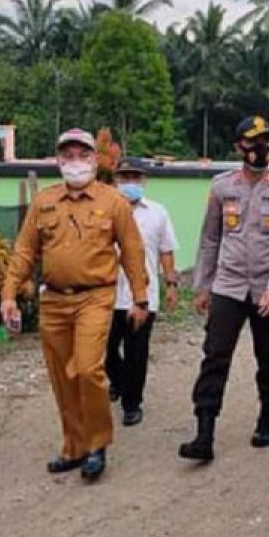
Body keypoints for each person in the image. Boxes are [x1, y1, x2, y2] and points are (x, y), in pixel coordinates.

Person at [0, 129, 149, 482]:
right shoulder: (44, 202)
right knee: (61, 377)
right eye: (67, 155)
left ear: (95, 160)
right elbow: (24, 251)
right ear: (58, 161)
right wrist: (8, 293)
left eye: (82, 154)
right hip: (53, 299)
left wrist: (141, 298)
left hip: (95, 297)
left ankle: (97, 444)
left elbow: (132, 251)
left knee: (86, 369)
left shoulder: (113, 202)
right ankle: (74, 446)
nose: (75, 162)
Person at [178, 115, 269, 462]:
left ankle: (268, 415)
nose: (262, 148)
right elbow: (210, 239)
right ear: (239, 146)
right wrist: (202, 286)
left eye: (266, 141)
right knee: (215, 355)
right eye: (254, 142)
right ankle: (204, 433)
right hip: (229, 285)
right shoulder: (222, 187)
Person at [105, 157, 179, 427]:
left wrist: (171, 283)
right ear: (115, 181)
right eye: (125, 178)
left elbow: (166, 250)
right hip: (106, 294)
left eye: (135, 178)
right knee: (105, 347)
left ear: (144, 181)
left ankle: (132, 403)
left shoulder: (157, 212)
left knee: (137, 351)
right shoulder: (104, 211)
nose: (130, 183)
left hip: (143, 294)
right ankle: (118, 380)